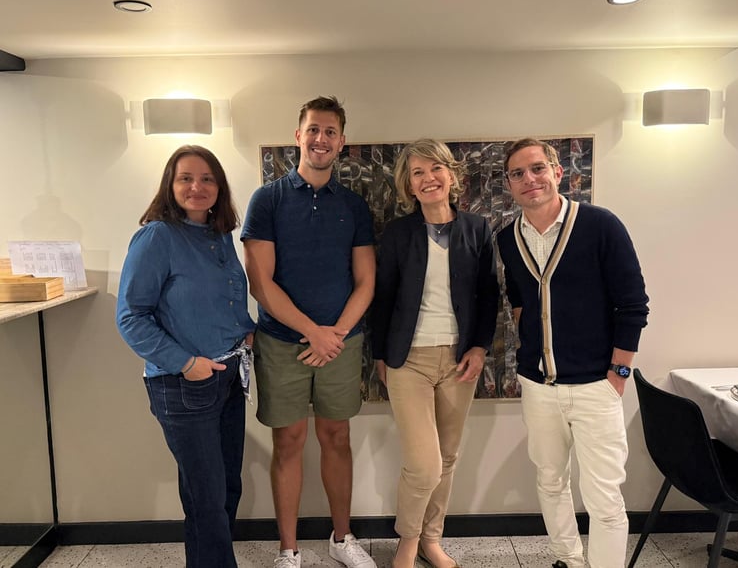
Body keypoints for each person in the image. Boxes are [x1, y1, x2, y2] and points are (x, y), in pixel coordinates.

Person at [496, 138, 649, 568]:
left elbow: (633, 304)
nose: (529, 179)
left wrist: (618, 374)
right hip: (539, 386)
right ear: (509, 184)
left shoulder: (601, 225)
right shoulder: (508, 238)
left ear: (558, 172)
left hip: (597, 384)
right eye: (518, 173)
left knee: (604, 496)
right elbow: (519, 300)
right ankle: (569, 559)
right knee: (550, 480)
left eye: (537, 168)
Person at [241, 96, 377, 568]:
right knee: (289, 442)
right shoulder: (268, 199)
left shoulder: (354, 205)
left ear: (342, 142)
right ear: (298, 136)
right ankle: (289, 549)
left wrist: (334, 333)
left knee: (337, 437)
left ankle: (342, 538)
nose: (321, 139)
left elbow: (366, 281)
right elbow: (260, 282)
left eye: (330, 131)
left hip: (341, 342)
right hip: (282, 343)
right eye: (313, 129)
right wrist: (311, 332)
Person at [116, 145, 256, 568]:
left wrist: (245, 330)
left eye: (207, 179)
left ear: (220, 187)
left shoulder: (219, 235)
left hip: (228, 375)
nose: (197, 186)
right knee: (207, 499)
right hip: (183, 384)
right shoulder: (157, 237)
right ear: (170, 185)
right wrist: (187, 363)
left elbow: (224, 298)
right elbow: (131, 317)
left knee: (225, 489)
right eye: (186, 178)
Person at [371, 138, 499, 568]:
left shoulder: (477, 229)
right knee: (423, 465)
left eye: (436, 169)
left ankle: (431, 539)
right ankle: (407, 543)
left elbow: (489, 295)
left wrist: (480, 346)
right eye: (418, 173)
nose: (428, 179)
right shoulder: (398, 234)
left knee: (446, 458)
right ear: (408, 185)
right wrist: (380, 356)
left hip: (459, 360)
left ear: (451, 174)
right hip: (408, 359)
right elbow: (383, 297)